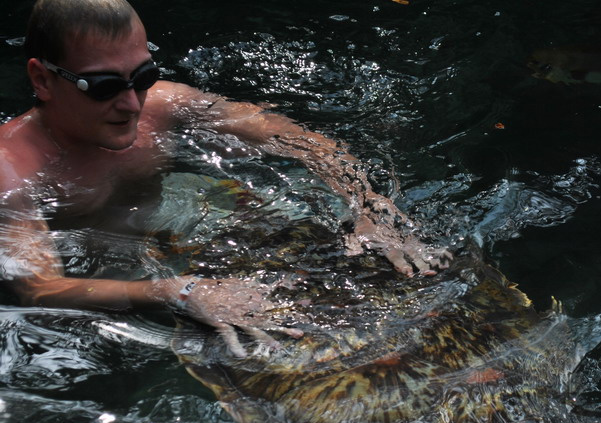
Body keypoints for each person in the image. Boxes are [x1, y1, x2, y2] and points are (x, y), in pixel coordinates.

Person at [0, 0, 450, 348]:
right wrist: (173, 291)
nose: (133, 103)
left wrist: (370, 207)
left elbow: (302, 142)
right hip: (113, 293)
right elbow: (39, 289)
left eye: (142, 76)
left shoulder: (164, 104)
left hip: (183, 241)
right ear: (42, 80)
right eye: (104, 87)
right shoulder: (11, 168)